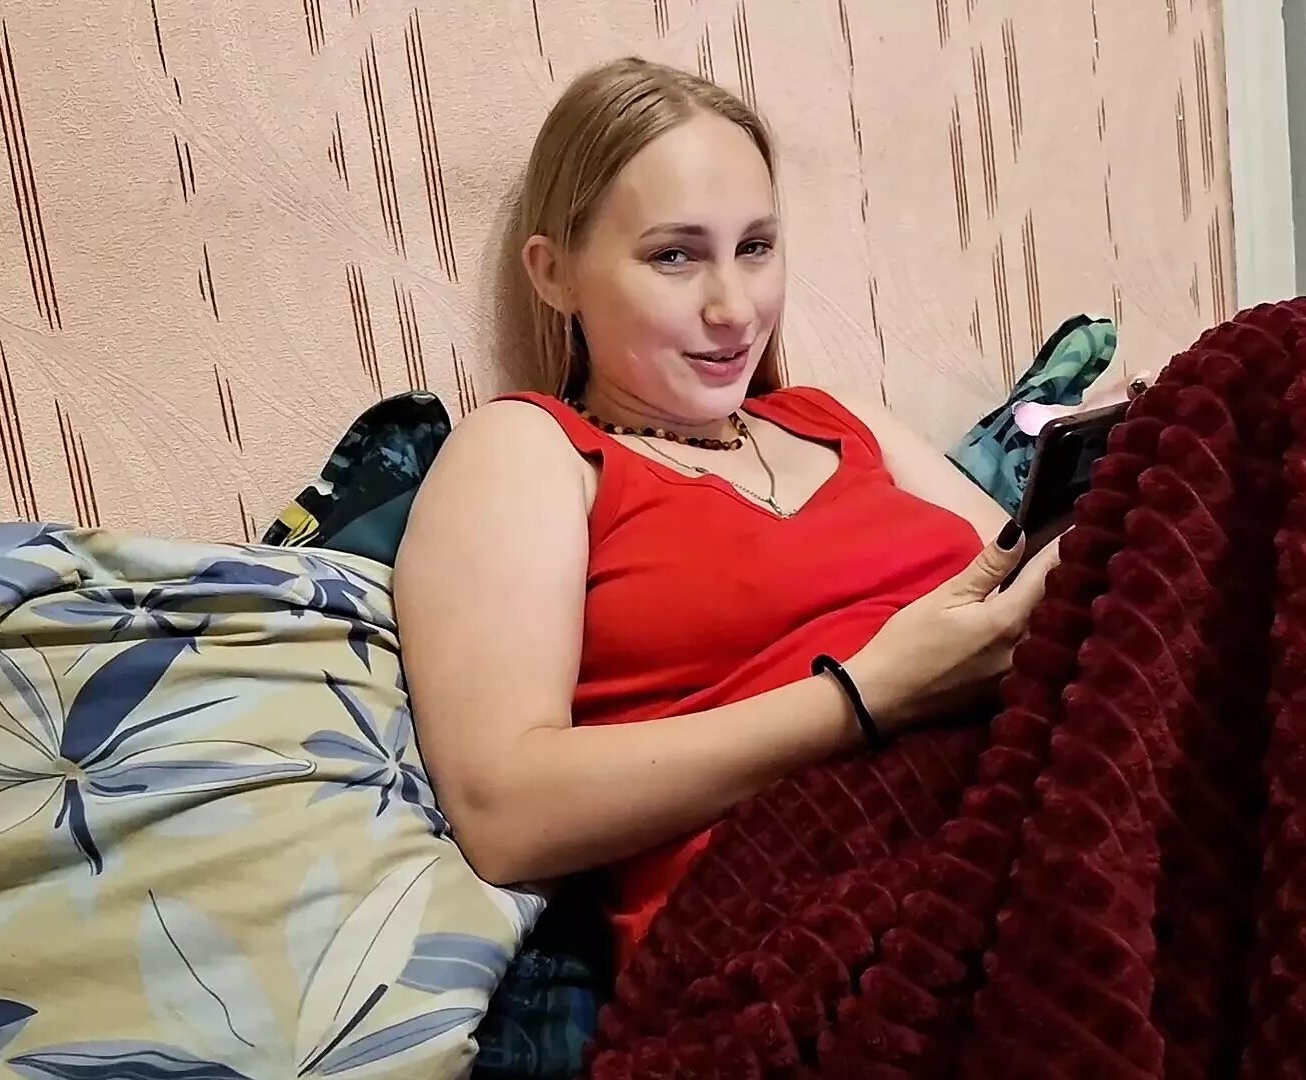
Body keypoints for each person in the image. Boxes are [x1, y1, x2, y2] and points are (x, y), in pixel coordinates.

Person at [394, 57, 1071, 970]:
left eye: (755, 248)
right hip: (811, 903)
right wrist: (866, 696)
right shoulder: (532, 450)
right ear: (555, 275)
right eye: (674, 256)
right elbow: (503, 813)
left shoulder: (839, 420)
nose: (734, 308)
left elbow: (1035, 588)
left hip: (1034, 784)